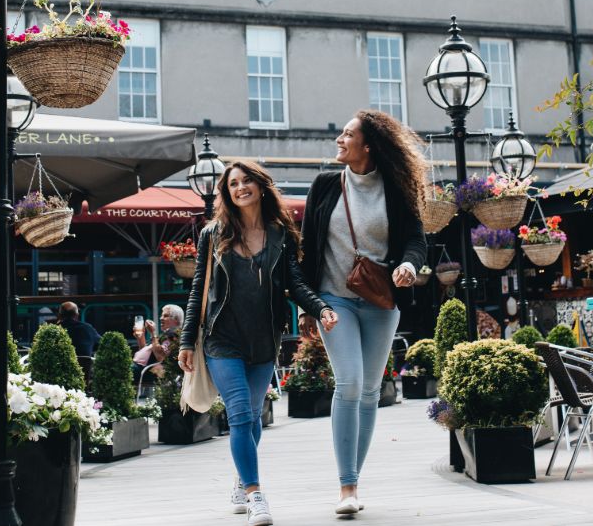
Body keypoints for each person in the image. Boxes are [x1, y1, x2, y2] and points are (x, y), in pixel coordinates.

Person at [179, 160, 339, 526]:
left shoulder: (280, 233)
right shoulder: (213, 234)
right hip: (222, 339)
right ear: (226, 193)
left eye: (247, 181)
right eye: (233, 184)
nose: (240, 188)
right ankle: (255, 495)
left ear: (261, 186)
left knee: (252, 417)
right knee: (238, 413)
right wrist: (187, 340)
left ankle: (240, 476)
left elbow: (295, 283)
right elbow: (197, 290)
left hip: (264, 339)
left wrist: (321, 307)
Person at [299, 110, 429, 516]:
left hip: (380, 301)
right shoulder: (324, 186)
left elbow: (415, 241)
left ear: (368, 145)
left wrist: (408, 265)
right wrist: (307, 306)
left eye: (347, 134)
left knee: (371, 391)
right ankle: (346, 485)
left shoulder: (395, 188)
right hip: (333, 301)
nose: (339, 139)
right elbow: (306, 249)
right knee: (350, 383)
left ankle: (355, 474)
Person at [132, 304, 183, 380]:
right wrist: (141, 338)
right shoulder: (165, 334)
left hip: (146, 371)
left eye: (165, 316)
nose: (161, 318)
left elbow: (160, 356)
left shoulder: (173, 334)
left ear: (176, 319)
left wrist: (152, 333)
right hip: (140, 368)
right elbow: (146, 354)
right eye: (162, 316)